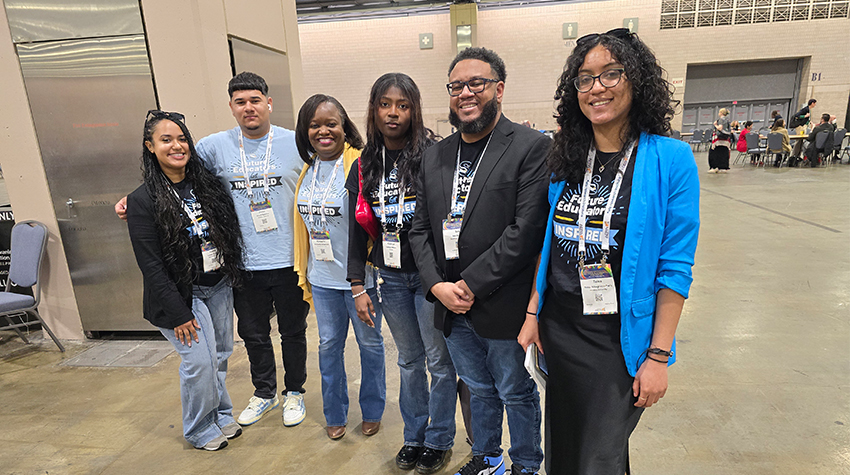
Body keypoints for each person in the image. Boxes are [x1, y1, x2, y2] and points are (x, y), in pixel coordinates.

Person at [519, 28, 700, 475]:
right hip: (560, 329)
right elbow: (549, 245)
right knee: (565, 450)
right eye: (585, 78)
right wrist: (532, 314)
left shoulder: (669, 159)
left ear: (636, 81)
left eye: (611, 74)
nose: (597, 87)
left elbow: (675, 267)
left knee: (597, 455)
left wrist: (659, 356)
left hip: (619, 340)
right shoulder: (565, 157)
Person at [117, 73, 311, 429]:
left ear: (269, 103)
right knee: (253, 335)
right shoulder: (212, 146)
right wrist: (133, 200)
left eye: (255, 100)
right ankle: (265, 393)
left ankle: (294, 392)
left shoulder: (295, 143)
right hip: (241, 263)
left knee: (293, 331)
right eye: (240, 102)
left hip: (290, 260)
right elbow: (174, 171)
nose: (248, 107)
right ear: (231, 107)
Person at [409, 47, 549, 475]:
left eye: (476, 84)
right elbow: (419, 229)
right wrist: (436, 286)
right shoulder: (434, 154)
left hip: (503, 303)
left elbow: (525, 231)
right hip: (450, 305)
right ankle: (487, 459)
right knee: (477, 387)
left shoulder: (530, 147)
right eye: (456, 86)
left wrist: (469, 285)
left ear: (499, 89)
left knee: (515, 390)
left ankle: (525, 464)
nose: (465, 93)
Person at [346, 73, 457, 473]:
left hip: (430, 279)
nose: (394, 113)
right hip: (389, 278)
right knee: (409, 361)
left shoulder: (435, 154)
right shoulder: (363, 163)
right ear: (374, 108)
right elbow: (357, 229)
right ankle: (415, 435)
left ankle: (440, 438)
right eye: (385, 104)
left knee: (440, 363)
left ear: (415, 109)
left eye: (403, 105)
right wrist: (357, 283)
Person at [127, 110, 245, 451]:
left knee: (220, 354)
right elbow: (151, 266)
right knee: (199, 362)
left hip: (217, 284)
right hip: (182, 294)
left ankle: (220, 414)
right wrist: (179, 314)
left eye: (181, 139)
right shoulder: (142, 200)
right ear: (150, 147)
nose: (176, 146)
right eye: (166, 140)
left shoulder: (205, 184)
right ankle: (197, 428)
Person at [293, 94, 386, 441]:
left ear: (345, 127)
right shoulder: (307, 168)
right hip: (322, 278)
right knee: (329, 347)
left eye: (330, 123)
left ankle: (373, 409)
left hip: (360, 281)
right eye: (314, 125)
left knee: (371, 345)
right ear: (306, 132)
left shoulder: (362, 164)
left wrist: (360, 281)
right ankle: (335, 412)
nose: (323, 131)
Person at [708, 108, 732, 173]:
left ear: (721, 113)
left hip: (718, 139)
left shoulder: (721, 119)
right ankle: (723, 167)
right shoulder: (728, 120)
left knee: (713, 152)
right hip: (726, 139)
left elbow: (720, 128)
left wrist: (715, 125)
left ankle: (714, 167)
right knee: (723, 152)